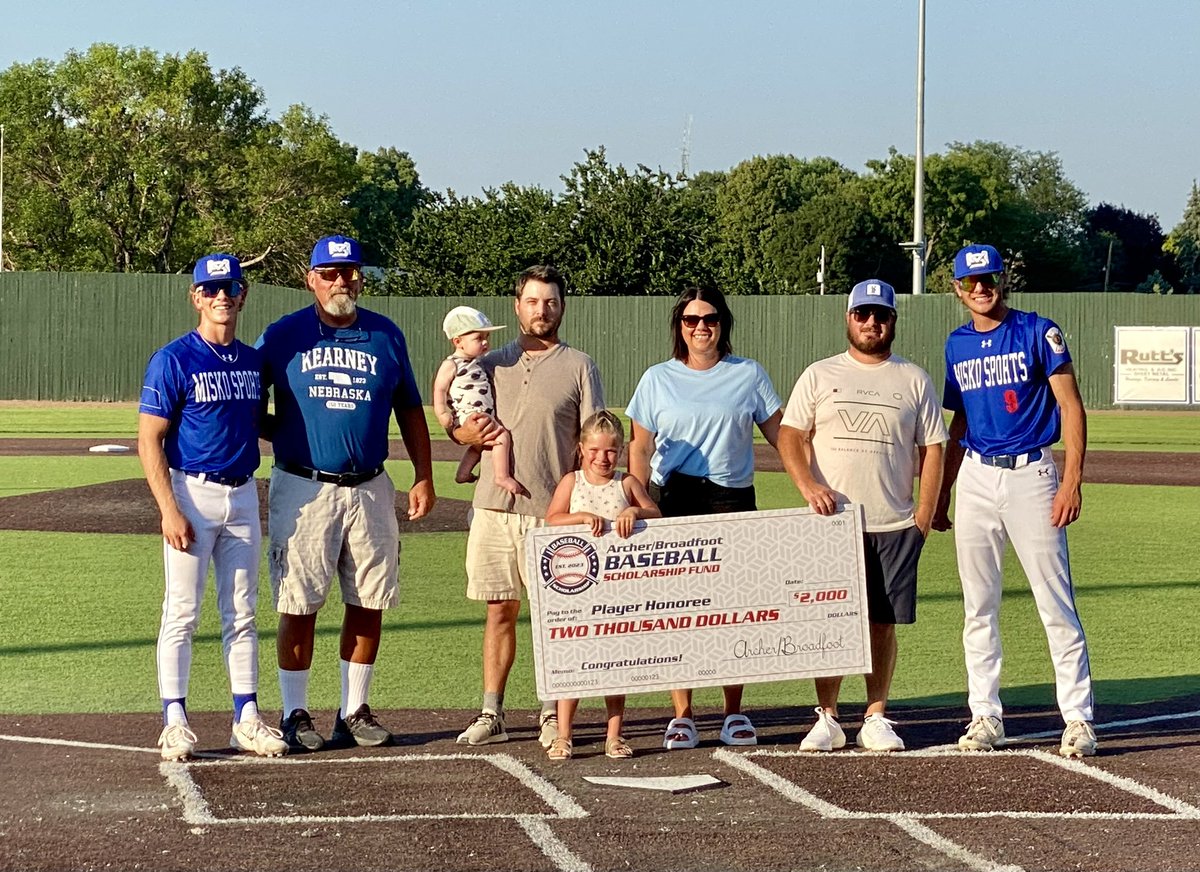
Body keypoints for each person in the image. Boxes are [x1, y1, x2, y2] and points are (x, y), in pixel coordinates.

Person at [257, 234, 435, 751]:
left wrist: (423, 474)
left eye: (350, 272)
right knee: (299, 603)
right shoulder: (285, 334)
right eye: (330, 273)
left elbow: (410, 409)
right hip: (304, 486)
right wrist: (281, 432)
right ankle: (294, 714)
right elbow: (247, 398)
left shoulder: (384, 334)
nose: (342, 281)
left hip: (370, 486)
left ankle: (353, 711)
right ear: (311, 279)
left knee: (368, 599)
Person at [932, 243, 1097, 759]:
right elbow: (960, 421)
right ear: (957, 289)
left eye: (989, 279)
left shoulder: (1037, 330)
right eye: (971, 282)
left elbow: (1071, 406)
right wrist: (943, 493)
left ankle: (1078, 718)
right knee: (978, 604)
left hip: (1032, 473)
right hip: (977, 475)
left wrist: (1071, 481)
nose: (981, 288)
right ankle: (985, 714)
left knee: (1055, 601)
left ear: (1002, 280)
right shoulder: (957, 343)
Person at [778, 279, 947, 753]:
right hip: (832, 522)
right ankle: (828, 716)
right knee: (830, 621)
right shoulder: (820, 374)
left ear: (893, 320)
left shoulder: (913, 379)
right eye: (863, 314)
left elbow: (933, 447)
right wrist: (808, 486)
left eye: (881, 315)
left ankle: (875, 714)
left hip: (894, 523)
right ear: (848, 318)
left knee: (882, 623)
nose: (871, 322)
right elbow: (790, 435)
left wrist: (924, 514)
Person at [138, 253, 288, 762]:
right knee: (181, 611)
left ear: (243, 295)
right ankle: (174, 720)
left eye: (230, 288)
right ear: (196, 297)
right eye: (211, 288)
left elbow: (256, 421)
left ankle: (247, 716)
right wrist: (168, 508)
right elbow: (149, 439)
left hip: (242, 493)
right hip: (191, 491)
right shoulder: (174, 358)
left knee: (242, 611)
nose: (221, 296)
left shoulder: (252, 361)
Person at [453, 265, 605, 747]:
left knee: (552, 617)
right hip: (493, 508)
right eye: (533, 301)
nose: (543, 310)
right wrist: (460, 433)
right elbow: (458, 420)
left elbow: (593, 443)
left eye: (551, 302)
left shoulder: (579, 365)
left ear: (563, 307)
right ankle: (491, 711)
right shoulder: (490, 362)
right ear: (517, 306)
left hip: (550, 512)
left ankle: (550, 712)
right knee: (499, 610)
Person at [626, 286, 782, 750]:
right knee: (678, 609)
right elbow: (640, 447)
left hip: (731, 498)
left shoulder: (748, 373)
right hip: (672, 497)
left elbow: (783, 436)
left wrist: (815, 480)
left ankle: (734, 711)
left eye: (709, 318)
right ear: (679, 326)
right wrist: (637, 500)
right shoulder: (656, 378)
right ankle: (683, 714)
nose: (700, 327)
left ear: (722, 323)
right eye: (691, 320)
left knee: (734, 607)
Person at [543, 410, 662, 760]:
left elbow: (655, 512)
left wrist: (633, 512)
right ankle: (564, 735)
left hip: (617, 590)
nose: (602, 458)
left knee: (615, 662)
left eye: (610, 450)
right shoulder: (572, 481)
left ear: (620, 451)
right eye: (595, 450)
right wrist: (580, 517)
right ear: (582, 449)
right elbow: (552, 519)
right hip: (577, 587)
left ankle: (614, 735)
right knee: (574, 660)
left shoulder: (626, 483)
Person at [432, 306, 525, 496]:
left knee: (478, 445)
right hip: (471, 414)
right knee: (501, 437)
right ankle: (502, 476)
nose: (485, 342)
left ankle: (463, 473)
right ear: (458, 342)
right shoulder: (451, 364)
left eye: (486, 338)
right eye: (478, 338)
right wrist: (442, 413)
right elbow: (439, 389)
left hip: (481, 413)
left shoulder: (477, 363)